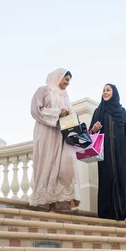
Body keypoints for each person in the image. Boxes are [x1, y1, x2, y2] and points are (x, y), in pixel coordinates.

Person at [90, 84, 126, 220]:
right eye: (103, 90)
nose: (105, 92)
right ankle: (108, 214)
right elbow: (90, 133)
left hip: (121, 151)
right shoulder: (98, 112)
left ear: (114, 93)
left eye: (108, 90)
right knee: (107, 181)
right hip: (105, 155)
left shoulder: (121, 111)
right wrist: (93, 129)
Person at [29, 68, 80, 211]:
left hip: (62, 134)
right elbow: (35, 110)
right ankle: (49, 202)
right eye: (66, 79)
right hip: (45, 132)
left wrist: (68, 113)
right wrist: (57, 112)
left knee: (67, 161)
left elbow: (72, 114)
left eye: (69, 80)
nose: (68, 83)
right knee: (47, 163)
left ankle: (71, 198)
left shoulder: (65, 96)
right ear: (58, 77)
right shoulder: (43, 91)